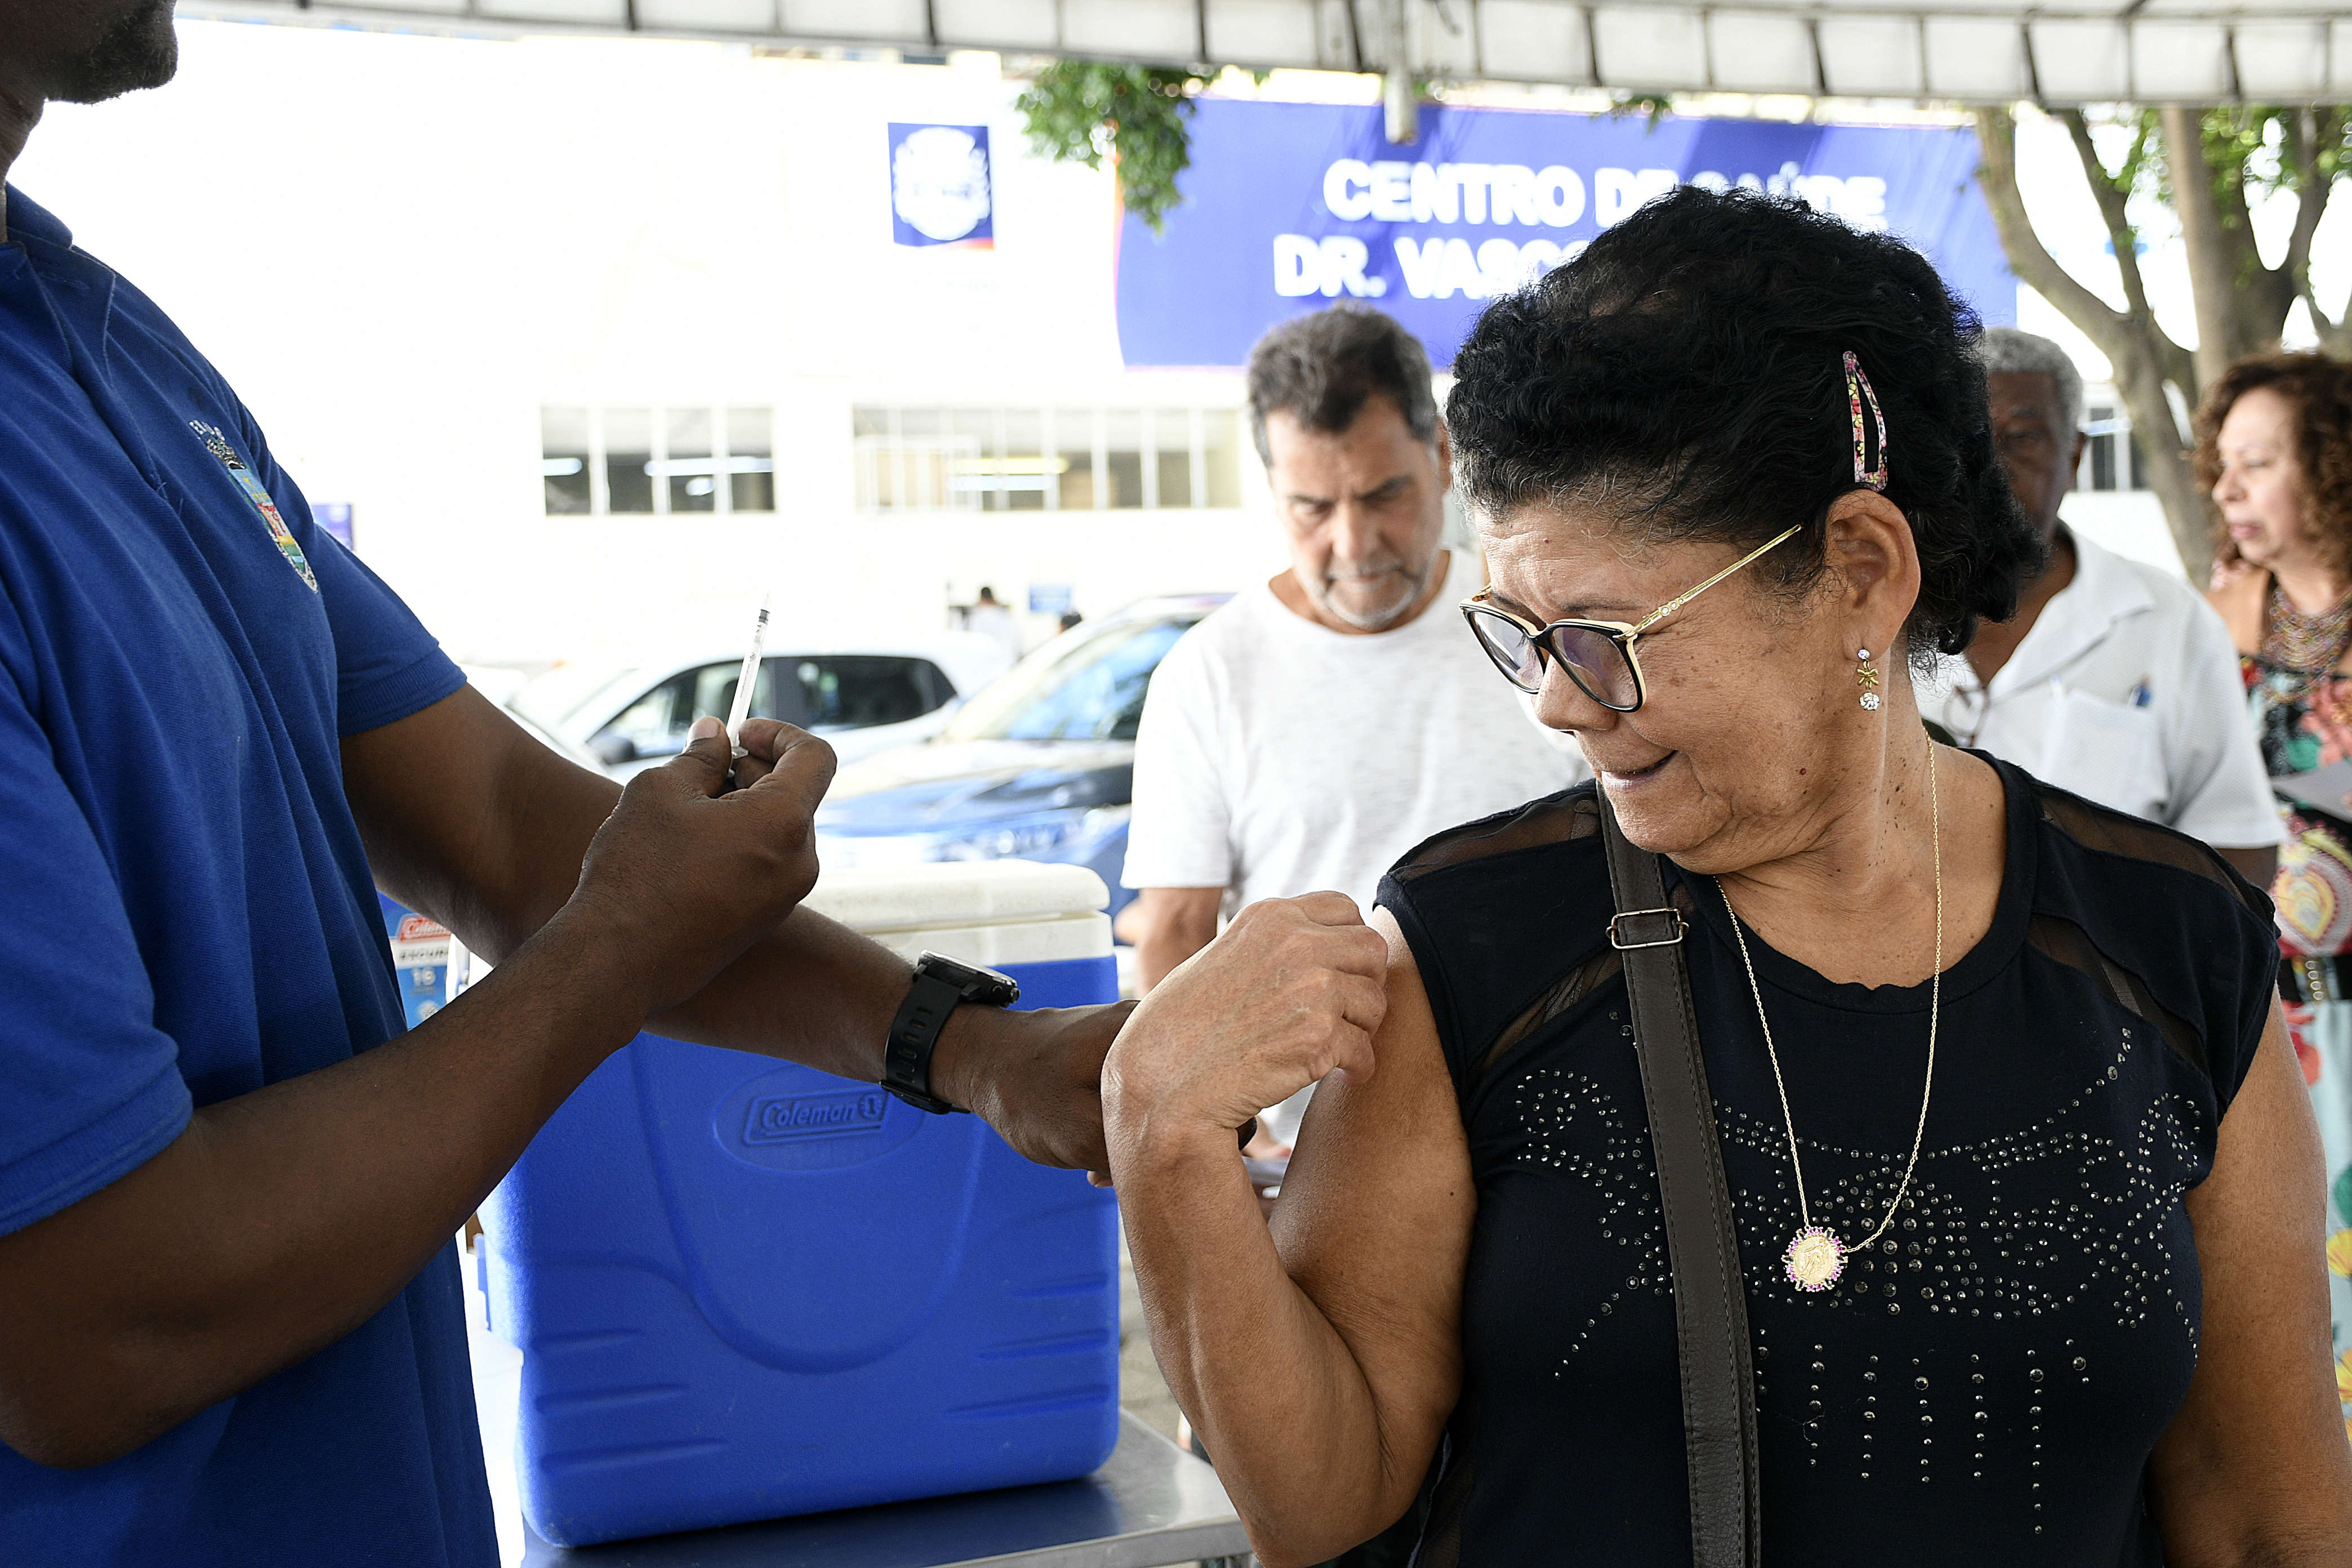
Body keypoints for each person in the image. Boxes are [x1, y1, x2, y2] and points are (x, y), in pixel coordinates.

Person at [0, 10, 1118, 1565]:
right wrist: (612, 954)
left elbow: (506, 827)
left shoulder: (100, 337)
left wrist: (979, 1049)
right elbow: (86, 1323)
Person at [1101, 189, 2352, 1566]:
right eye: (1517, 635)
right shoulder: (1471, 944)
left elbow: (2260, 1505)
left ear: (1858, 573)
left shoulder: (2176, 952)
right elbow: (1318, 1498)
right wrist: (1162, 1136)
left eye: (1601, 635)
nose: (1556, 706)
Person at [1118, 303, 1583, 1151]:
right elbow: (1176, 933)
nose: (1354, 541)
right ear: (1272, 493)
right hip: (1322, 1160)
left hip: (1558, 1127)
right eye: (1311, 508)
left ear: (1442, 458)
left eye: (1383, 495)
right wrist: (1229, 1137)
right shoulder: (1210, 675)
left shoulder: (1539, 628)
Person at [1918, 328, 2279, 886]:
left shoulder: (2168, 621)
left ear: (2076, 454)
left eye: (2022, 437)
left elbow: (2240, 846)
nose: (1991, 467)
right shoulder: (1872, 617)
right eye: (1970, 441)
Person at [2199, 350, 2352, 1445]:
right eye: (2223, 467)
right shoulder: (2217, 620)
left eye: (2258, 464)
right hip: (2278, 1009)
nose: (2229, 490)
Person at [964, 584, 1023, 662]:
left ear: (981, 598)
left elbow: (973, 644)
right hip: (1008, 663)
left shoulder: (976, 619)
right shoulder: (1006, 618)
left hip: (985, 662)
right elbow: (1018, 646)